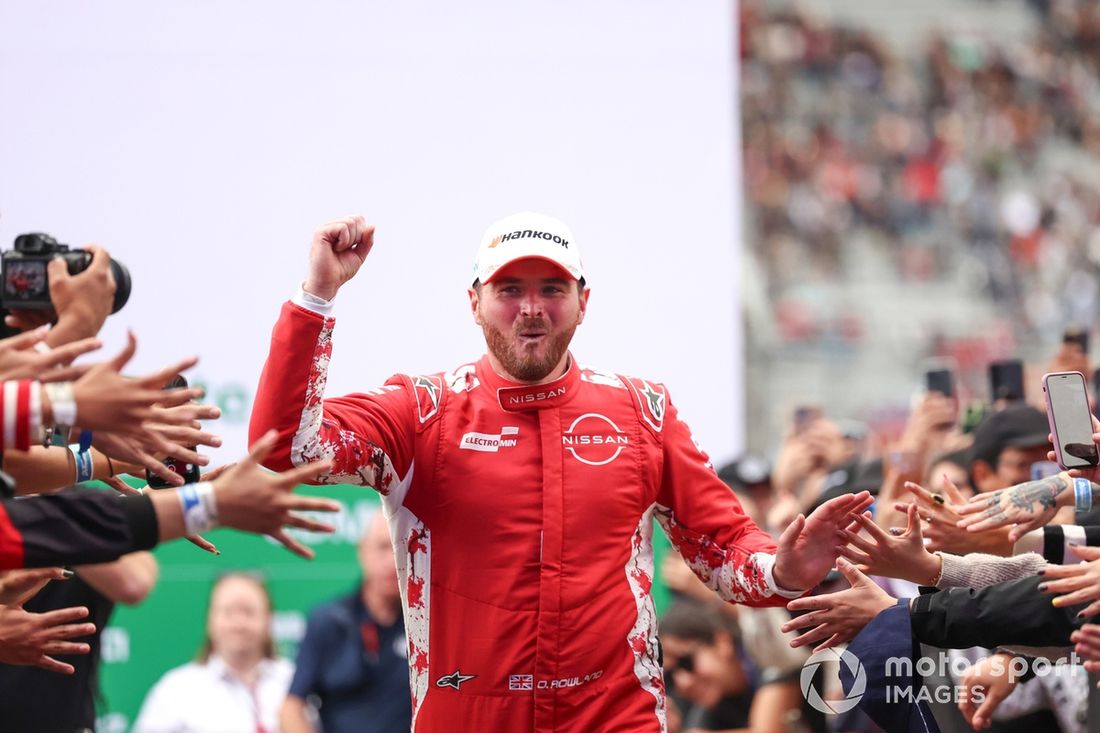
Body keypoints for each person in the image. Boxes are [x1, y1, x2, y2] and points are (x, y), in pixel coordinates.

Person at [250, 213, 872, 732]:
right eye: (509, 289)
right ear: (474, 303)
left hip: (617, 719)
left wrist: (782, 571)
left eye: (551, 289)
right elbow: (284, 453)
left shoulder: (642, 411)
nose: (530, 309)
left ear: (583, 301)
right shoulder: (422, 412)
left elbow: (723, 545)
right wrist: (316, 300)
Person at [281, 511, 411, 733]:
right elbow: (292, 707)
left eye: (401, 549)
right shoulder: (329, 620)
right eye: (382, 547)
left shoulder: (427, 625)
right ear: (362, 551)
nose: (392, 560)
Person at [133, 572, 294, 733]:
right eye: (228, 612)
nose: (239, 623)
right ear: (210, 619)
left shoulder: (294, 681)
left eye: (249, 612)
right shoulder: (176, 690)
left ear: (269, 618)